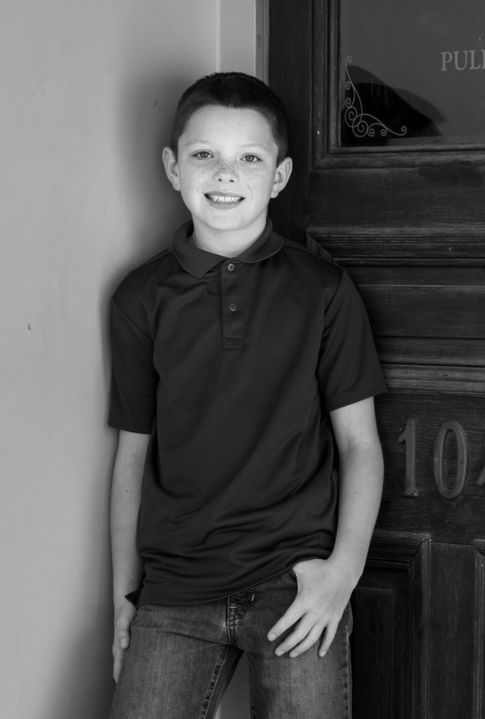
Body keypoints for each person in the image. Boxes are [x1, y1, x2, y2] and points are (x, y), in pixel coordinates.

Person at [107, 71, 386, 719]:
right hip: (174, 588)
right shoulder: (139, 298)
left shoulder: (323, 290)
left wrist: (342, 572)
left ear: (279, 176)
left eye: (250, 158)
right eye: (204, 154)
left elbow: (359, 444)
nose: (225, 174)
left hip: (294, 583)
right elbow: (131, 455)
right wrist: (123, 597)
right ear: (173, 167)